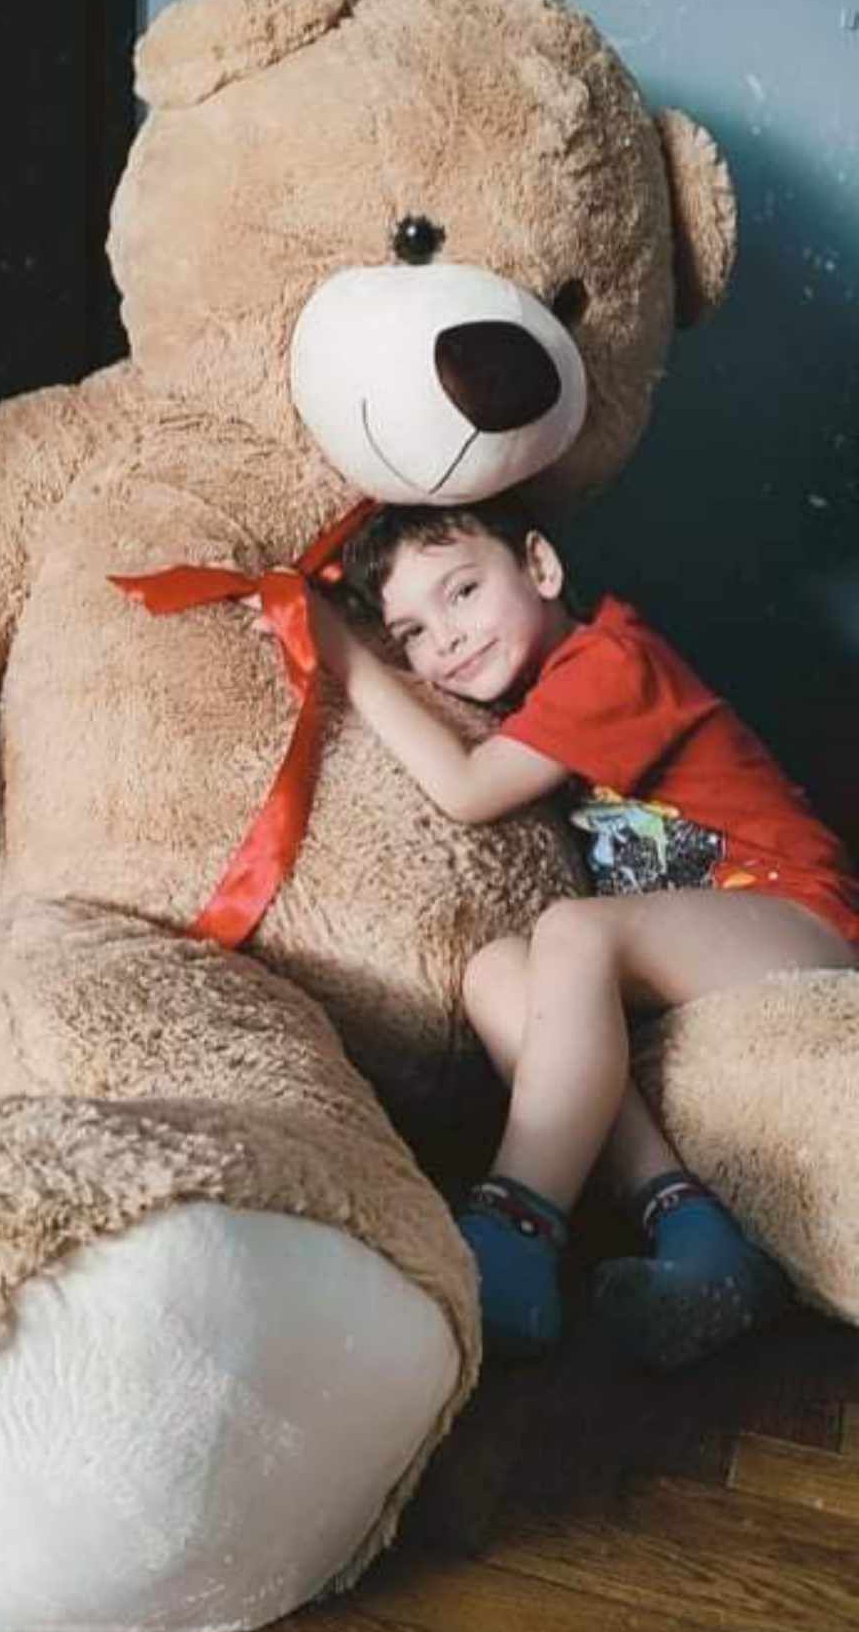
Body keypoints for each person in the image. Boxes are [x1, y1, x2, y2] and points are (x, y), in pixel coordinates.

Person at [270, 493, 859, 1369]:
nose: (447, 638)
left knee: (574, 933)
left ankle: (515, 1219)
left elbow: (467, 788)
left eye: (463, 592)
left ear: (540, 567)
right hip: (694, 943)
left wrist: (345, 655)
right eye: (412, 634)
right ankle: (688, 1223)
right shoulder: (534, 696)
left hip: (800, 918)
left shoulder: (611, 658)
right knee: (496, 971)